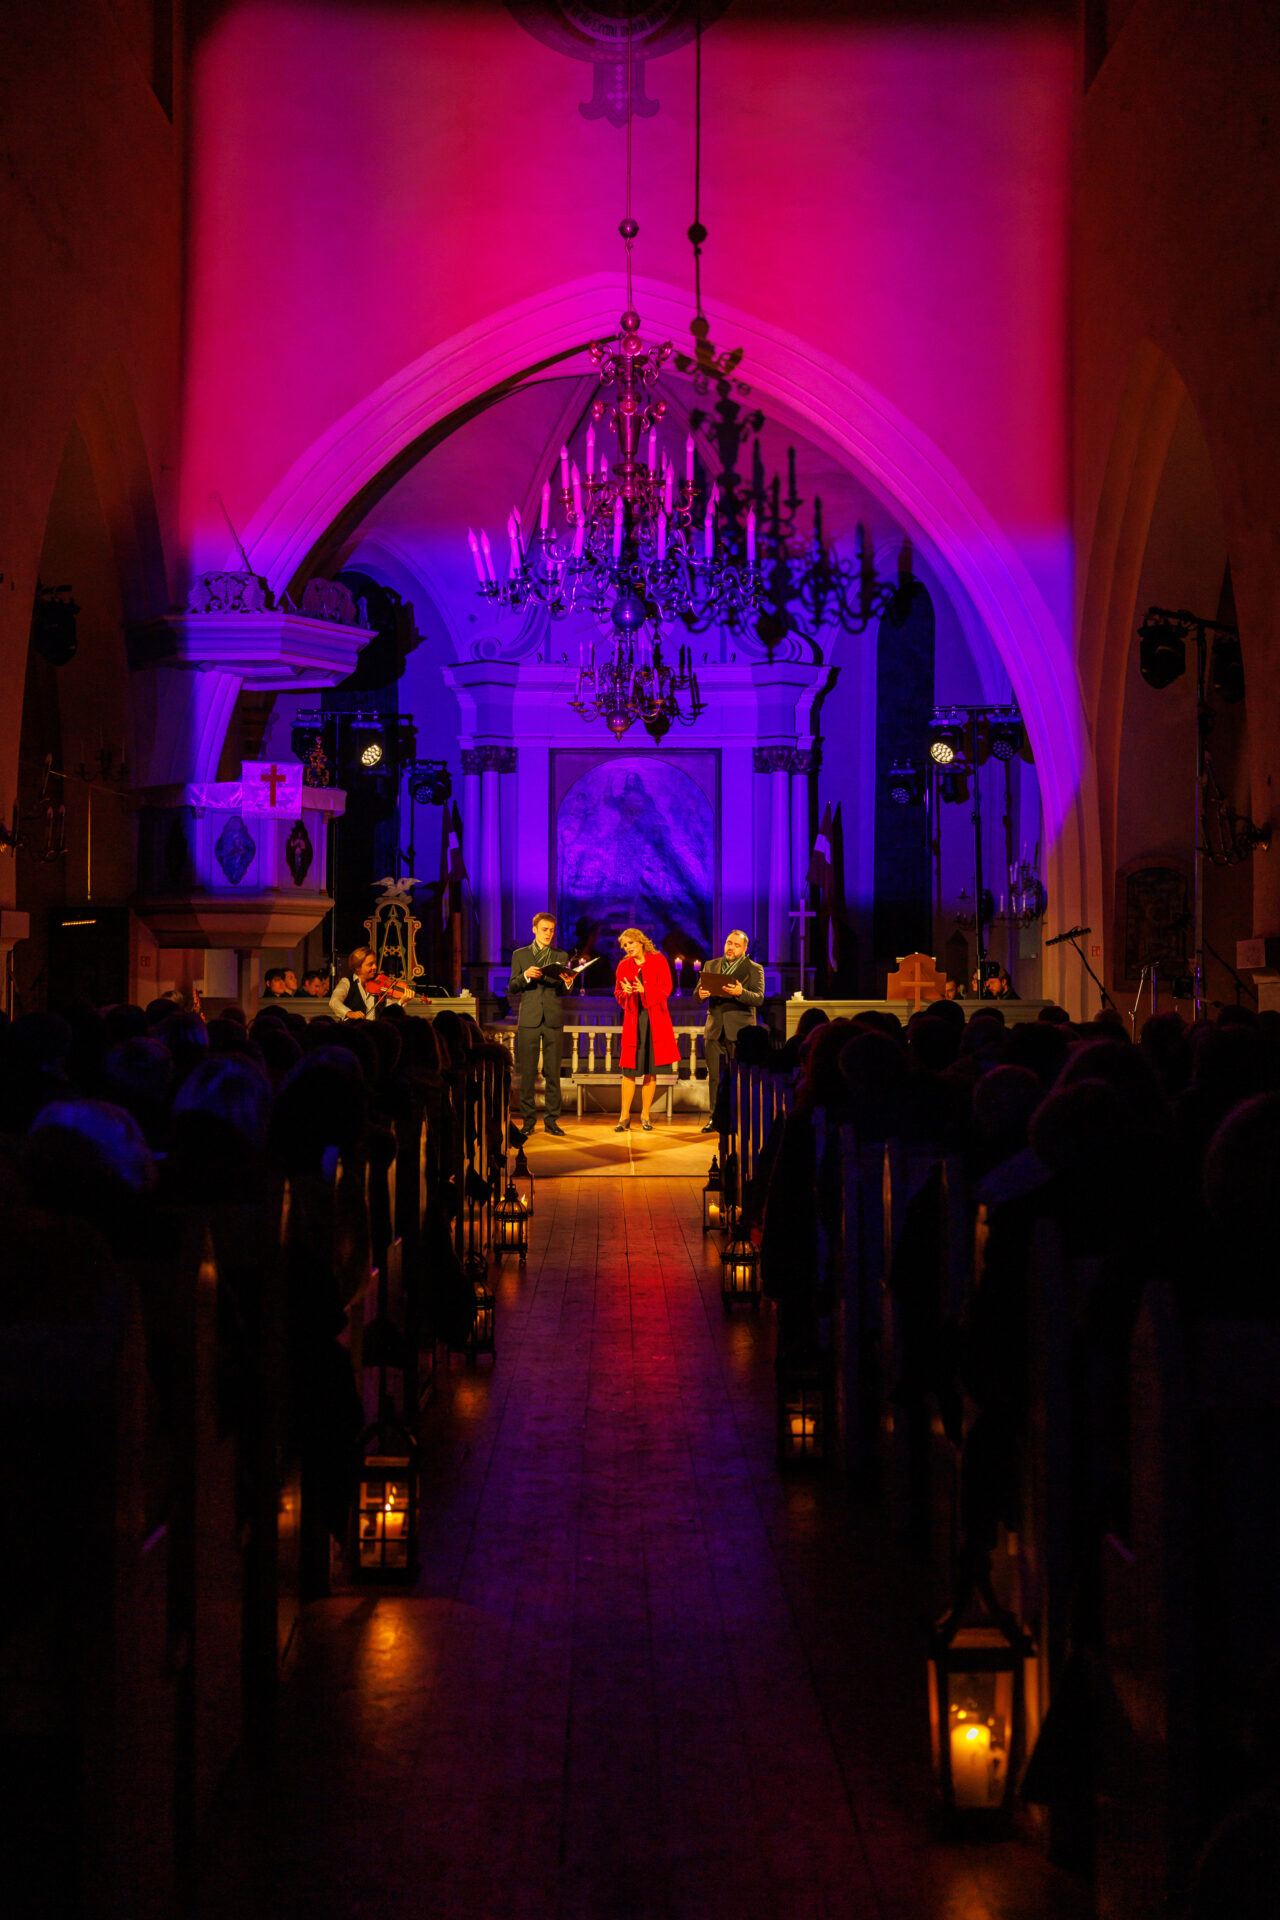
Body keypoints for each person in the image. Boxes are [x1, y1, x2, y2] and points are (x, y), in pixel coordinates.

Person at [508, 911, 570, 1140]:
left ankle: (552, 1121)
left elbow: (564, 990)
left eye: (552, 930)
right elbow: (512, 986)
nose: (548, 934)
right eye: (544, 929)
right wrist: (525, 976)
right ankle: (528, 1121)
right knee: (527, 1073)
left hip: (552, 1018)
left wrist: (568, 981)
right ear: (534, 929)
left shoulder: (560, 955)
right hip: (530, 1019)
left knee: (553, 1072)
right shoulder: (520, 955)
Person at [697, 929, 765, 1131]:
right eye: (729, 943)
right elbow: (697, 993)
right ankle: (715, 1118)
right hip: (715, 1029)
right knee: (715, 1078)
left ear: (744, 949)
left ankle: (740, 1119)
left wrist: (740, 992)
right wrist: (701, 993)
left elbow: (759, 998)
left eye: (736, 945)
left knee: (740, 1078)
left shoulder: (754, 968)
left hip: (740, 1032)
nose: (731, 947)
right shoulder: (712, 965)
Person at [614, 927, 678, 1131]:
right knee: (629, 1070)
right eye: (625, 945)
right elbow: (617, 992)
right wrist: (625, 992)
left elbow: (667, 988)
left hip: (655, 1021)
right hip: (634, 1021)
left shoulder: (658, 960)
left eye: (631, 943)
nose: (628, 947)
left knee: (651, 1071)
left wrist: (645, 990)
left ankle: (645, 1115)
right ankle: (624, 1116)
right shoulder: (624, 965)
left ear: (641, 941)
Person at [328, 946, 409, 1021]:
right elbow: (334, 1002)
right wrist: (349, 1013)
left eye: (375, 963)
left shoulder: (380, 984)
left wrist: (401, 1002)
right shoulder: (347, 982)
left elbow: (389, 1012)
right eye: (370, 964)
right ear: (358, 967)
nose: (375, 967)